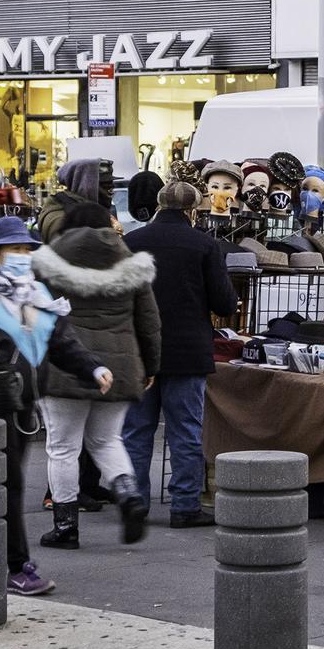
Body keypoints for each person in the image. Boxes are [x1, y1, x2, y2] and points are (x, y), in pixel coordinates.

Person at [0, 214, 110, 596]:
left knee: (7, 489)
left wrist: (93, 368)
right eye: (14, 249)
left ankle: (6, 564)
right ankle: (8, 565)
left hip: (17, 410)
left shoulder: (35, 296)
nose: (21, 256)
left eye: (26, 249)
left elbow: (63, 343)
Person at [29, 200, 160, 549]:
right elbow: (149, 324)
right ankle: (129, 495)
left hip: (62, 365)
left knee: (62, 448)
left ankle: (66, 527)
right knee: (107, 440)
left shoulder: (48, 262)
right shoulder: (131, 263)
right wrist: (150, 367)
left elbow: (33, 312)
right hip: (120, 367)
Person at [123, 180, 236, 527]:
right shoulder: (204, 245)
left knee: (135, 432)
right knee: (184, 430)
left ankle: (136, 504)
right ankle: (184, 506)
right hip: (187, 350)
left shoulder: (131, 242)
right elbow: (224, 303)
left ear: (158, 206)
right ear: (192, 210)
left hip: (140, 350)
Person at [37, 158, 105, 243]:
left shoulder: (97, 212)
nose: (112, 189)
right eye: (104, 185)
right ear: (86, 184)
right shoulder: (60, 218)